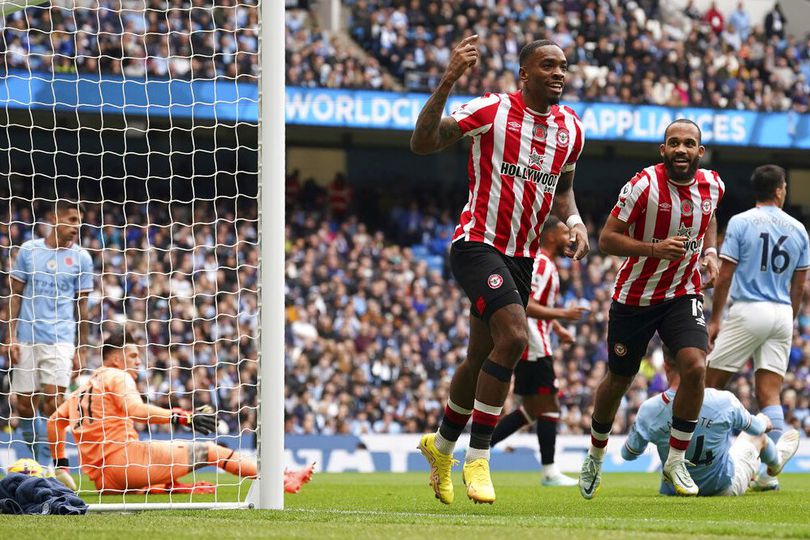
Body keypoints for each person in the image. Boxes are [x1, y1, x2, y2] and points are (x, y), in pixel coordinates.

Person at [410, 37, 588, 504]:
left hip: (522, 256)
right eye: (547, 65)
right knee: (513, 337)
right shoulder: (491, 110)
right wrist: (449, 79)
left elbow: (564, 187)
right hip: (477, 244)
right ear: (524, 74)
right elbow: (422, 141)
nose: (558, 73)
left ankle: (441, 447)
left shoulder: (572, 129)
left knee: (478, 358)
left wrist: (573, 221)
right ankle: (478, 458)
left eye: (563, 66)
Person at [580, 119, 724, 499]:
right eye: (673, 143)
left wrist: (709, 252)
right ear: (663, 150)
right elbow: (607, 239)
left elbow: (708, 218)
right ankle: (595, 453)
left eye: (689, 143)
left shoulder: (714, 184)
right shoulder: (643, 185)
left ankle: (676, 459)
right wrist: (654, 249)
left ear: (699, 151)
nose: (681, 149)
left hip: (684, 292)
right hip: (635, 297)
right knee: (619, 379)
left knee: (695, 366)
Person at [48, 330, 313, 494]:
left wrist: (61, 466)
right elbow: (136, 410)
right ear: (116, 358)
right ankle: (279, 479)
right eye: (133, 356)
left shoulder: (80, 390)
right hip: (125, 463)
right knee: (210, 451)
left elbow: (53, 423)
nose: (138, 362)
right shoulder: (117, 377)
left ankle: (165, 486)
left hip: (104, 480)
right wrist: (181, 416)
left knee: (167, 462)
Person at [705, 164, 809, 492]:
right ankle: (769, 474)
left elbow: (724, 276)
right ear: (780, 190)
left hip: (748, 308)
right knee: (770, 394)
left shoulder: (740, 222)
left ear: (757, 191)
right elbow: (799, 285)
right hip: (781, 312)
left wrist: (717, 317)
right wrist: (789, 318)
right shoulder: (799, 229)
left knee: (709, 384)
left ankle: (706, 458)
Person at [489, 217, 587, 487]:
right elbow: (524, 304)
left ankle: (480, 446)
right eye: (566, 232)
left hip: (537, 339)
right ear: (552, 236)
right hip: (533, 343)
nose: (570, 237)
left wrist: (556, 327)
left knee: (532, 410)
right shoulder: (542, 264)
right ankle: (549, 471)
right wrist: (562, 314)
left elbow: (536, 303)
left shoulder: (547, 264)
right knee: (549, 405)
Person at [622, 350, 800, 496]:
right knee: (757, 437)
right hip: (722, 488)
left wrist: (646, 431)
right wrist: (763, 419)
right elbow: (757, 428)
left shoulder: (649, 409)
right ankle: (774, 465)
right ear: (701, 363)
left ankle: (769, 473)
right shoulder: (723, 400)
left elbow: (628, 454)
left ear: (666, 366)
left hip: (673, 491)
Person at [9, 199, 93, 468]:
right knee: (24, 405)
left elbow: (83, 308)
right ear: (54, 218)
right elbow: (14, 295)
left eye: (79, 221)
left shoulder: (82, 258)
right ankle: (34, 461)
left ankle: (50, 465)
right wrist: (10, 336)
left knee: (54, 402)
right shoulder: (29, 251)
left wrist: (82, 348)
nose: (76, 226)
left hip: (61, 338)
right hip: (27, 335)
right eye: (71, 220)